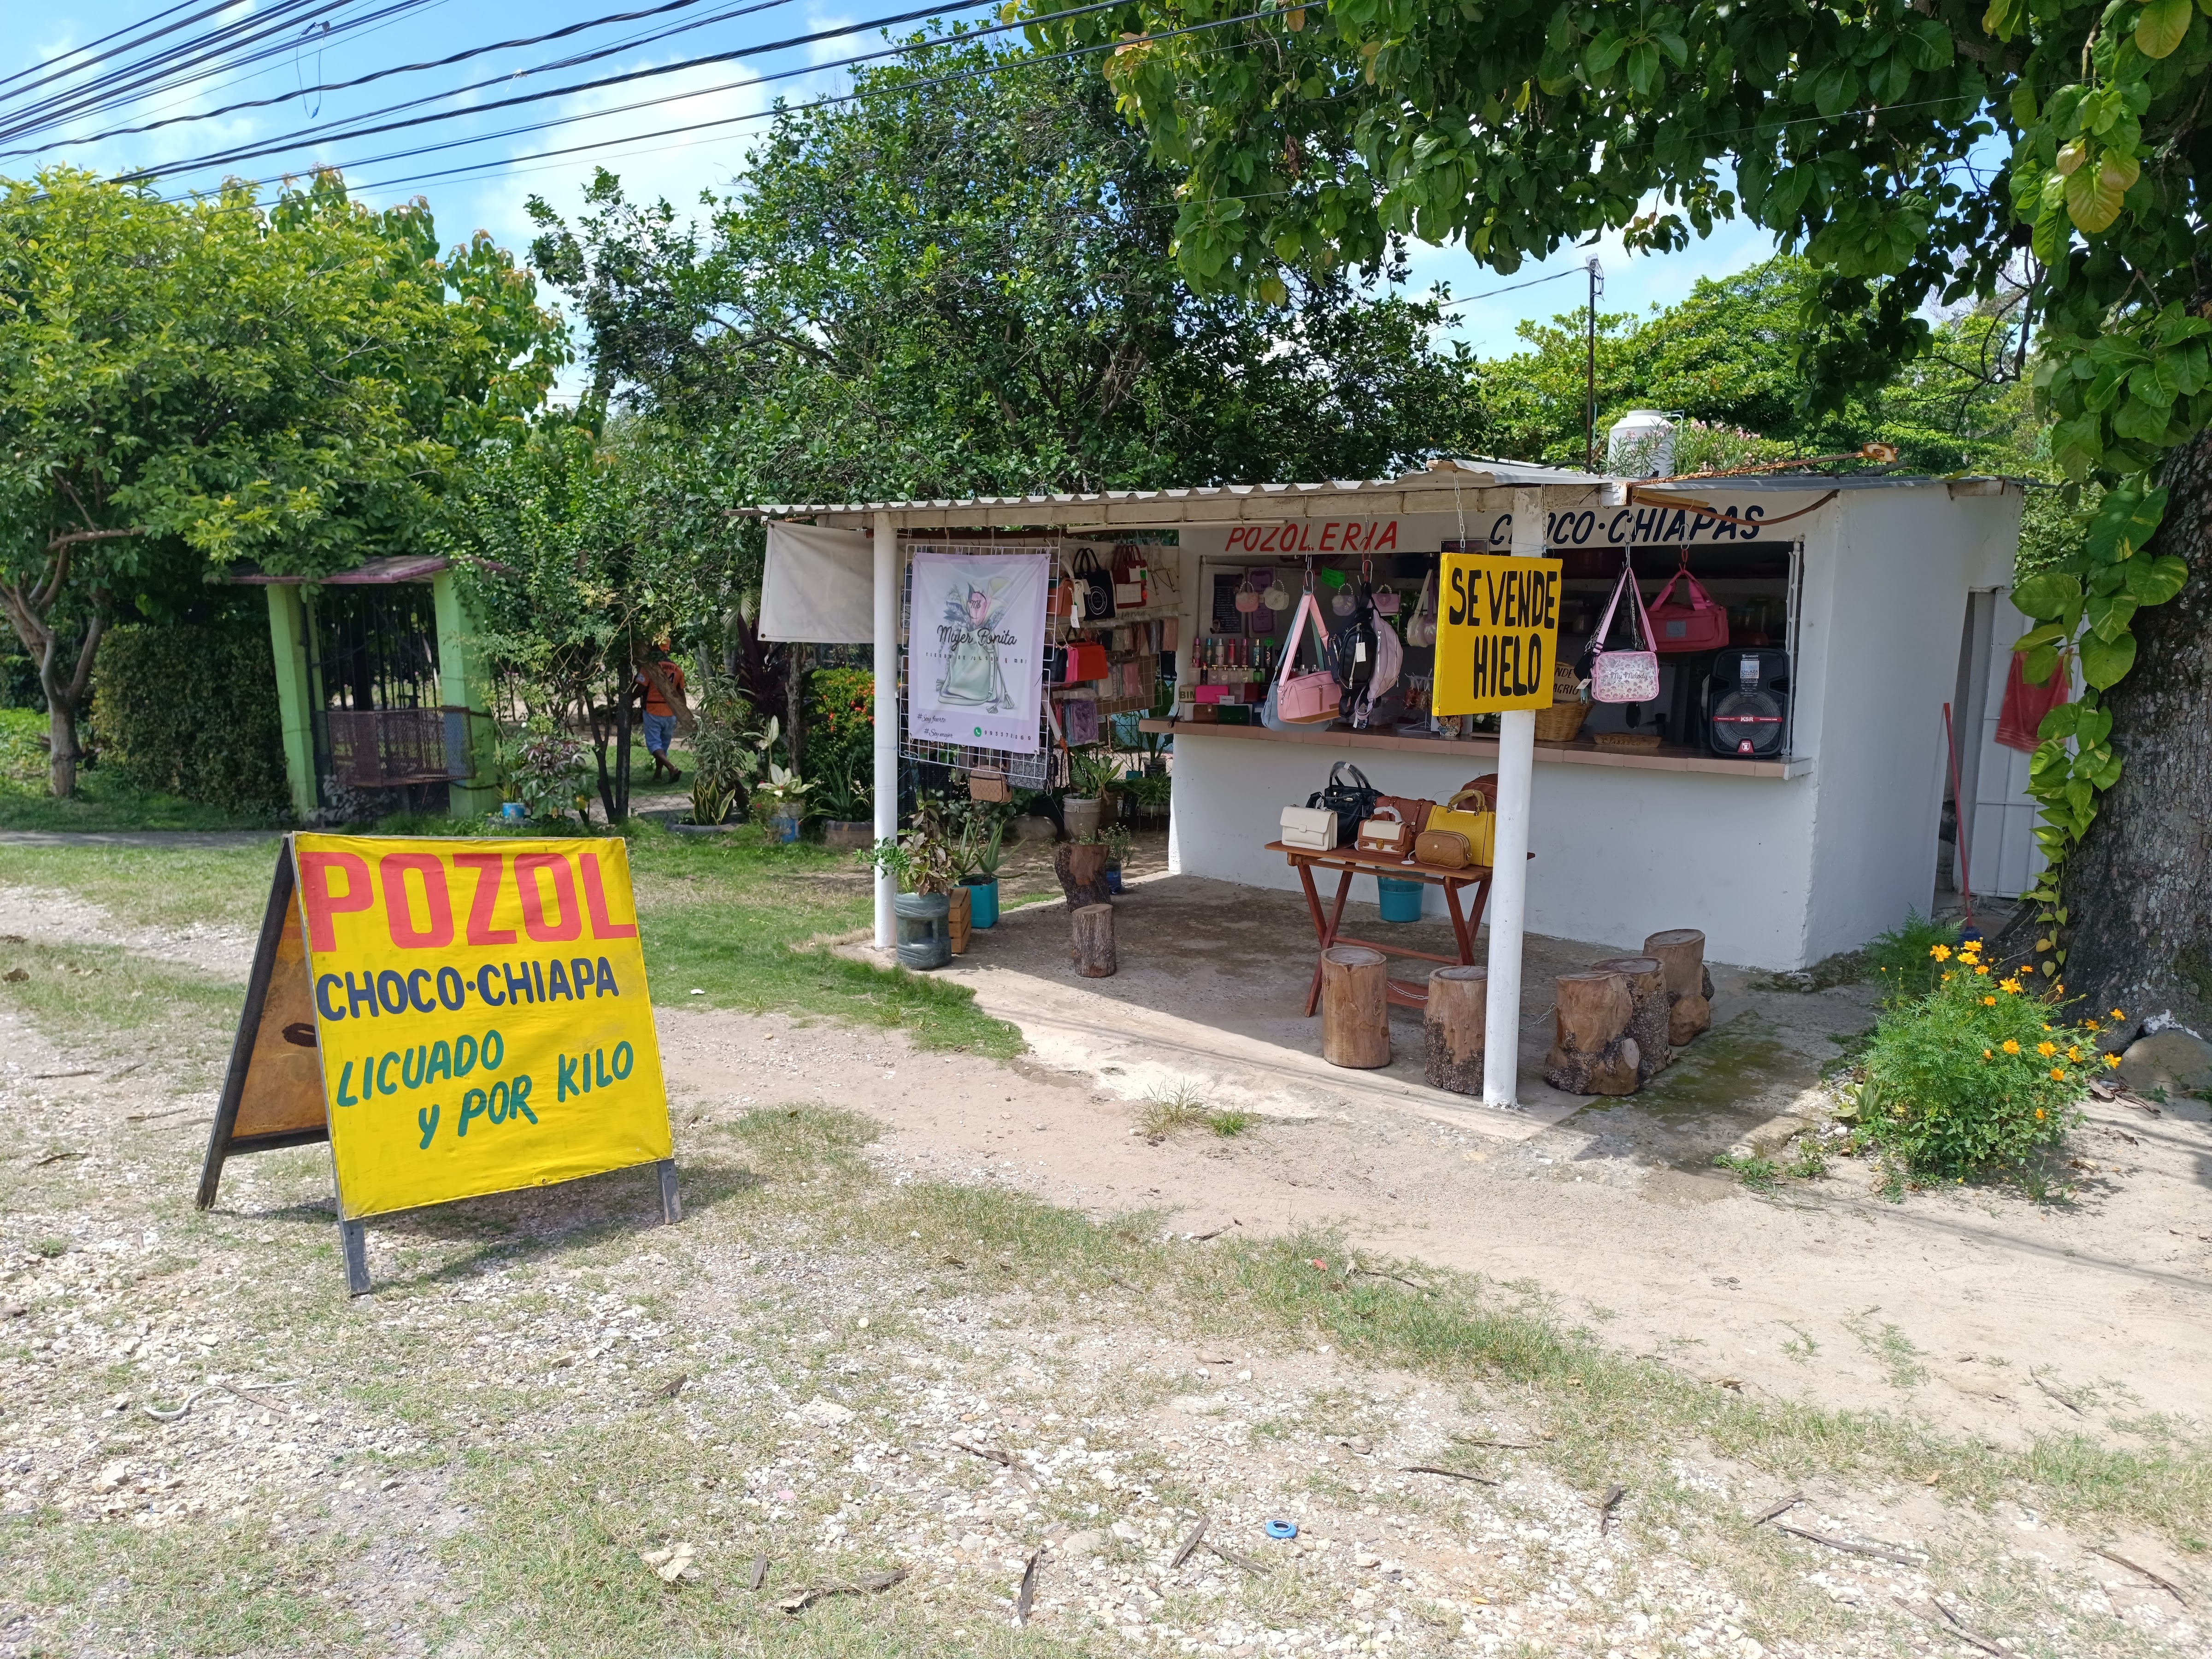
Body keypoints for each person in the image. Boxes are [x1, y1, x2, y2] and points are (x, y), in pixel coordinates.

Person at [637, 648, 687, 783]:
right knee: (663, 746)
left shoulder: (650, 667)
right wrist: (683, 712)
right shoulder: (677, 669)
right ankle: (658, 775)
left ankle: (671, 768)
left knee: (654, 745)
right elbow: (681, 692)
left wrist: (628, 699)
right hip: (670, 712)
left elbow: (641, 688)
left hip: (653, 709)